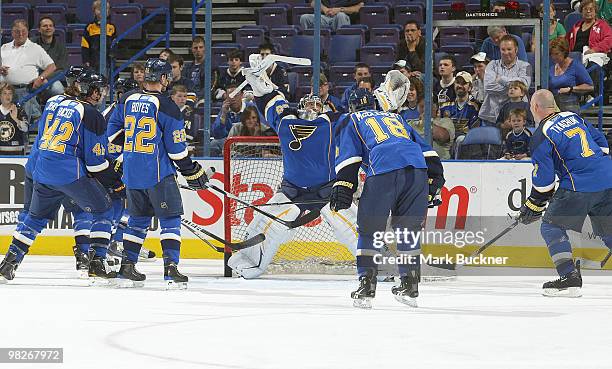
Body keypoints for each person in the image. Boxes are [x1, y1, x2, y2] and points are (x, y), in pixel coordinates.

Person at [227, 55, 359, 279]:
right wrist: (260, 81)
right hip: (292, 190)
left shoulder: (332, 121)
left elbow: (359, 118)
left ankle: (377, 263)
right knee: (267, 224)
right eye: (309, 103)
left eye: (318, 104)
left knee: (350, 227)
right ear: (299, 107)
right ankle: (248, 260)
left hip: (326, 190)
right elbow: (271, 100)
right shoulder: (286, 121)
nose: (314, 107)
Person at [0, 70, 123, 283]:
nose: (102, 94)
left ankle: (8, 263)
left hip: (43, 168)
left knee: (35, 218)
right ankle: (96, 262)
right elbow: (95, 163)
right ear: (91, 92)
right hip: (69, 173)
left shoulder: (54, 101)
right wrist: (115, 181)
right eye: (99, 90)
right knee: (104, 210)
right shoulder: (91, 113)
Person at [331, 88, 445, 308]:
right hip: (417, 170)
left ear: (351, 106)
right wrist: (435, 180)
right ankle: (410, 286)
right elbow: (427, 151)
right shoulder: (396, 117)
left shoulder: (350, 119)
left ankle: (366, 286)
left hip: (384, 168)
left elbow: (350, 155)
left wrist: (344, 184)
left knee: (369, 230)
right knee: (408, 230)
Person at [107, 58, 209, 288]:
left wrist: (134, 145)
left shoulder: (126, 99)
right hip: (157, 174)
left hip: (131, 173)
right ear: (163, 79)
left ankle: (127, 267)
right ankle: (171, 269)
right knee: (170, 219)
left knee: (137, 220)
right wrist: (191, 170)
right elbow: (177, 149)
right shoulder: (168, 106)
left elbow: (111, 135)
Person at [519, 89, 612, 297]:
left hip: (579, 184)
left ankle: (569, 278)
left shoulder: (541, 134)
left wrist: (533, 205)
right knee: (609, 231)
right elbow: (601, 141)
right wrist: (595, 163)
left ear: (535, 108)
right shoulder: (572, 116)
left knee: (551, 226)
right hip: (607, 177)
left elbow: (544, 184)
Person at [102, 77, 157, 268]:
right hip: (111, 166)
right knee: (116, 205)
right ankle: (113, 243)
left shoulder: (135, 109)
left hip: (127, 164)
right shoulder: (112, 112)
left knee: (132, 206)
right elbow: (106, 141)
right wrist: (115, 161)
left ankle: (123, 242)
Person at [0, 19, 57, 121]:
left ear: (28, 32)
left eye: (24, 31)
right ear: (12, 32)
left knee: (22, 124)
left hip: (25, 91)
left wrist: (41, 78)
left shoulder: (35, 48)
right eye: (17, 31)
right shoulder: (4, 47)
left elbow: (51, 66)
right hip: (4, 90)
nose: (20, 34)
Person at [479, 35, 531, 126]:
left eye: (509, 49)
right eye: (503, 49)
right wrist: (514, 88)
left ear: (516, 50)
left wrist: (501, 79)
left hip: (517, 119)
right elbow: (488, 87)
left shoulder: (526, 66)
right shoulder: (492, 65)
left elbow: (524, 86)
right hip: (490, 117)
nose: (506, 52)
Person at [549, 37, 593, 113]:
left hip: (570, 106)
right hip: (554, 106)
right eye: (552, 54)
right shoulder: (551, 67)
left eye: (556, 54)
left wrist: (571, 89)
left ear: (564, 52)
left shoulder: (575, 65)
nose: (554, 57)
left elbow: (590, 86)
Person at [440, 71, 480, 142]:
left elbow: (474, 131)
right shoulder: (444, 107)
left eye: (464, 83)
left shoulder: (475, 107)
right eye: (457, 82)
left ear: (470, 87)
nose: (460, 86)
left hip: (467, 143)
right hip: (447, 142)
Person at [33, 17, 67, 96]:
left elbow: (62, 69)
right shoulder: (31, 44)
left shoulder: (61, 47)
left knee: (58, 90)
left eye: (50, 26)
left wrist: (45, 78)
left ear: (54, 29)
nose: (48, 28)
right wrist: (39, 78)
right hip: (33, 77)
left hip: (52, 79)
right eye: (45, 26)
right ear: (39, 29)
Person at [81, 0, 116, 69]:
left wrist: (112, 54)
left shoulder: (112, 27)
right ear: (94, 11)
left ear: (108, 12)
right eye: (99, 9)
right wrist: (86, 60)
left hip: (107, 60)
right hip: (93, 60)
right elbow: (85, 45)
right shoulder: (89, 27)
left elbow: (115, 42)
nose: (102, 11)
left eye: (105, 9)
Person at [182, 36, 219, 101]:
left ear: (205, 48)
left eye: (201, 47)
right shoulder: (187, 68)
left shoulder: (212, 66)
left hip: (204, 100)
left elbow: (211, 87)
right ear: (192, 50)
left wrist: (196, 97)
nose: (198, 50)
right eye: (195, 48)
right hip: (187, 98)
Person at [299, 0, 364, 32]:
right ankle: (310, 46)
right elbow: (314, 2)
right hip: (326, 16)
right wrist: (325, 9)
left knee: (340, 16)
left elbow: (359, 7)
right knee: (305, 18)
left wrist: (340, 10)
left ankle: (340, 46)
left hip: (344, 16)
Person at [0, 84, 28, 154]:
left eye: (10, 93)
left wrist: (15, 119)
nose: (7, 96)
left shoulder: (19, 110)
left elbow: (26, 128)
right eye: (5, 93)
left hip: (16, 151)